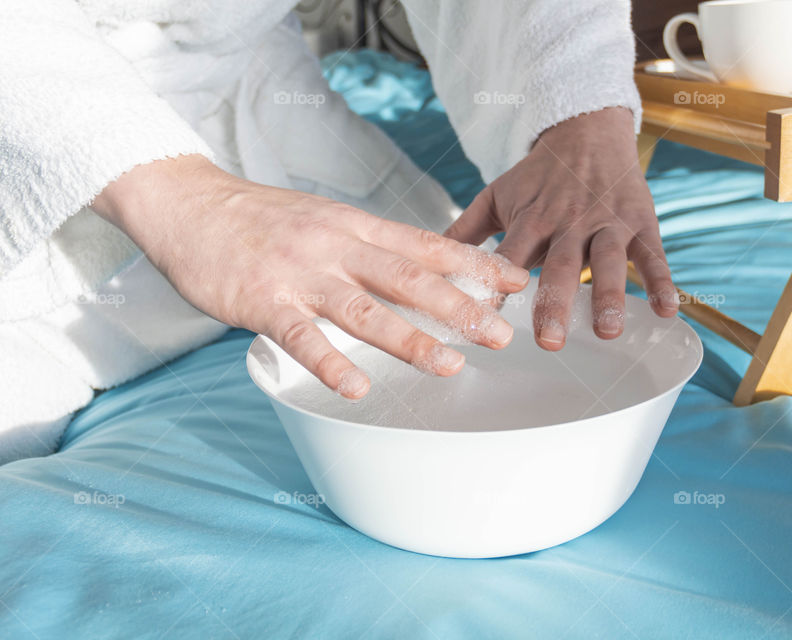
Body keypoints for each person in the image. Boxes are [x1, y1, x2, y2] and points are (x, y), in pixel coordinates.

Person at [0, 0, 677, 462]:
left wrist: (579, 116)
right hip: (37, 116)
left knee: (451, 298)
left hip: (253, 89)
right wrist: (186, 201)